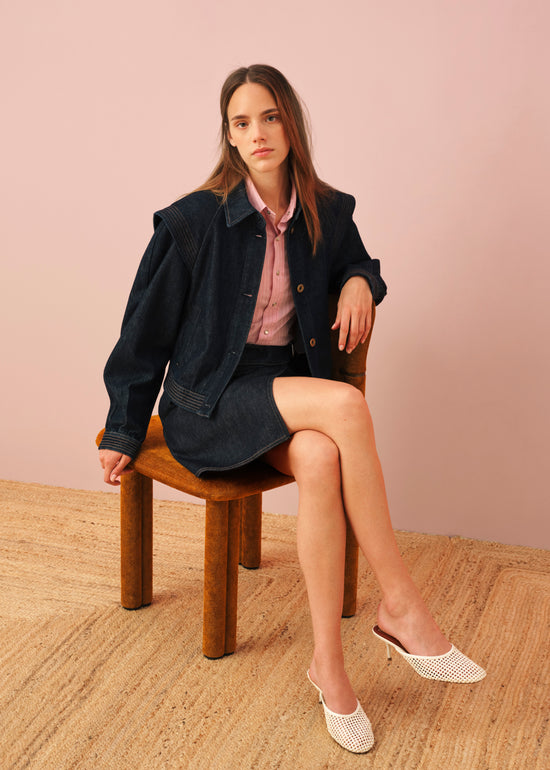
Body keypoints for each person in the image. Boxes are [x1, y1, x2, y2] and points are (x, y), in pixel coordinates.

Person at [98, 64, 485, 754]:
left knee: (321, 450)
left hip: (278, 389)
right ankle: (401, 606)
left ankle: (328, 668)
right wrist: (125, 426)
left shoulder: (328, 212)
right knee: (343, 406)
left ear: (291, 123)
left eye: (269, 117)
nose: (257, 133)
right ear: (229, 136)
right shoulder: (195, 220)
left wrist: (362, 282)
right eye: (241, 122)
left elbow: (362, 264)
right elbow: (143, 329)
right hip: (207, 401)